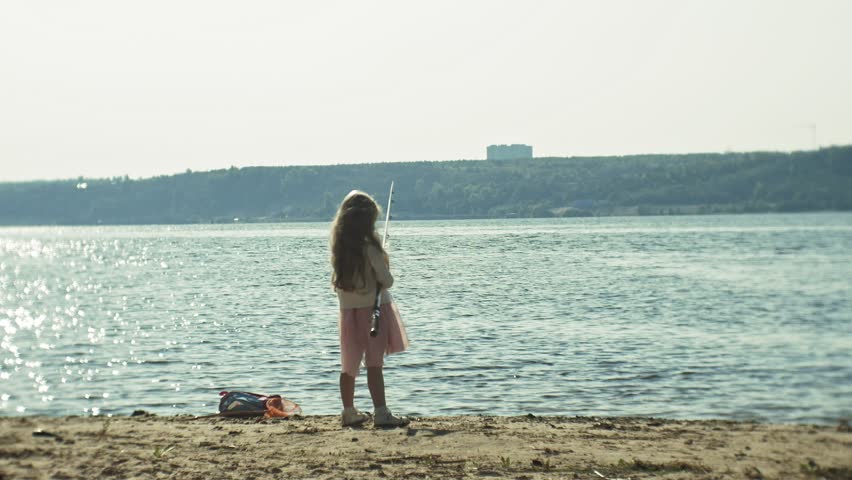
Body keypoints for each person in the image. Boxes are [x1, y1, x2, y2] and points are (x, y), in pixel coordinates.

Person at [329, 190, 409, 427]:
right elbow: (387, 281)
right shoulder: (370, 248)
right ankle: (381, 412)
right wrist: (385, 261)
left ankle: (348, 410)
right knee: (374, 364)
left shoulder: (339, 249)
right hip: (373, 312)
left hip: (348, 315)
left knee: (348, 365)